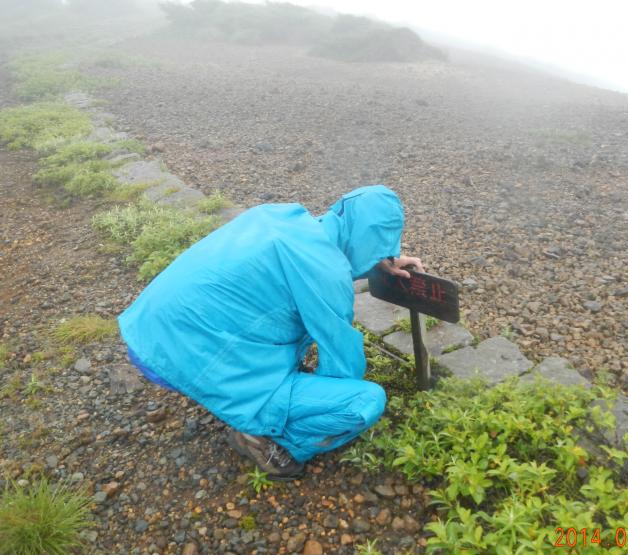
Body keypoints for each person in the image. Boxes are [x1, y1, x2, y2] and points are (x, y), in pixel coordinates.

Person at [118, 185, 423, 480]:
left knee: (275, 319)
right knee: (365, 401)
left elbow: (323, 261)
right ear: (377, 242)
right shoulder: (326, 274)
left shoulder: (279, 216)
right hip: (180, 359)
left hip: (148, 332)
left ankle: (248, 398)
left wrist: (376, 259)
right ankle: (265, 440)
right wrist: (328, 393)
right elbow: (343, 370)